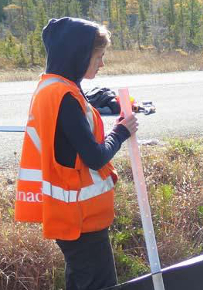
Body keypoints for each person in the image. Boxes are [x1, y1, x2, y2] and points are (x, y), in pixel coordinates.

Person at [14, 17, 138, 290]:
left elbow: (75, 109)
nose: (102, 63)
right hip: (80, 217)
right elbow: (95, 157)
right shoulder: (66, 98)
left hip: (69, 215)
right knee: (99, 283)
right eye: (99, 56)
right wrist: (121, 131)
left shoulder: (52, 86)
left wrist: (101, 100)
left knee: (81, 280)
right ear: (78, 54)